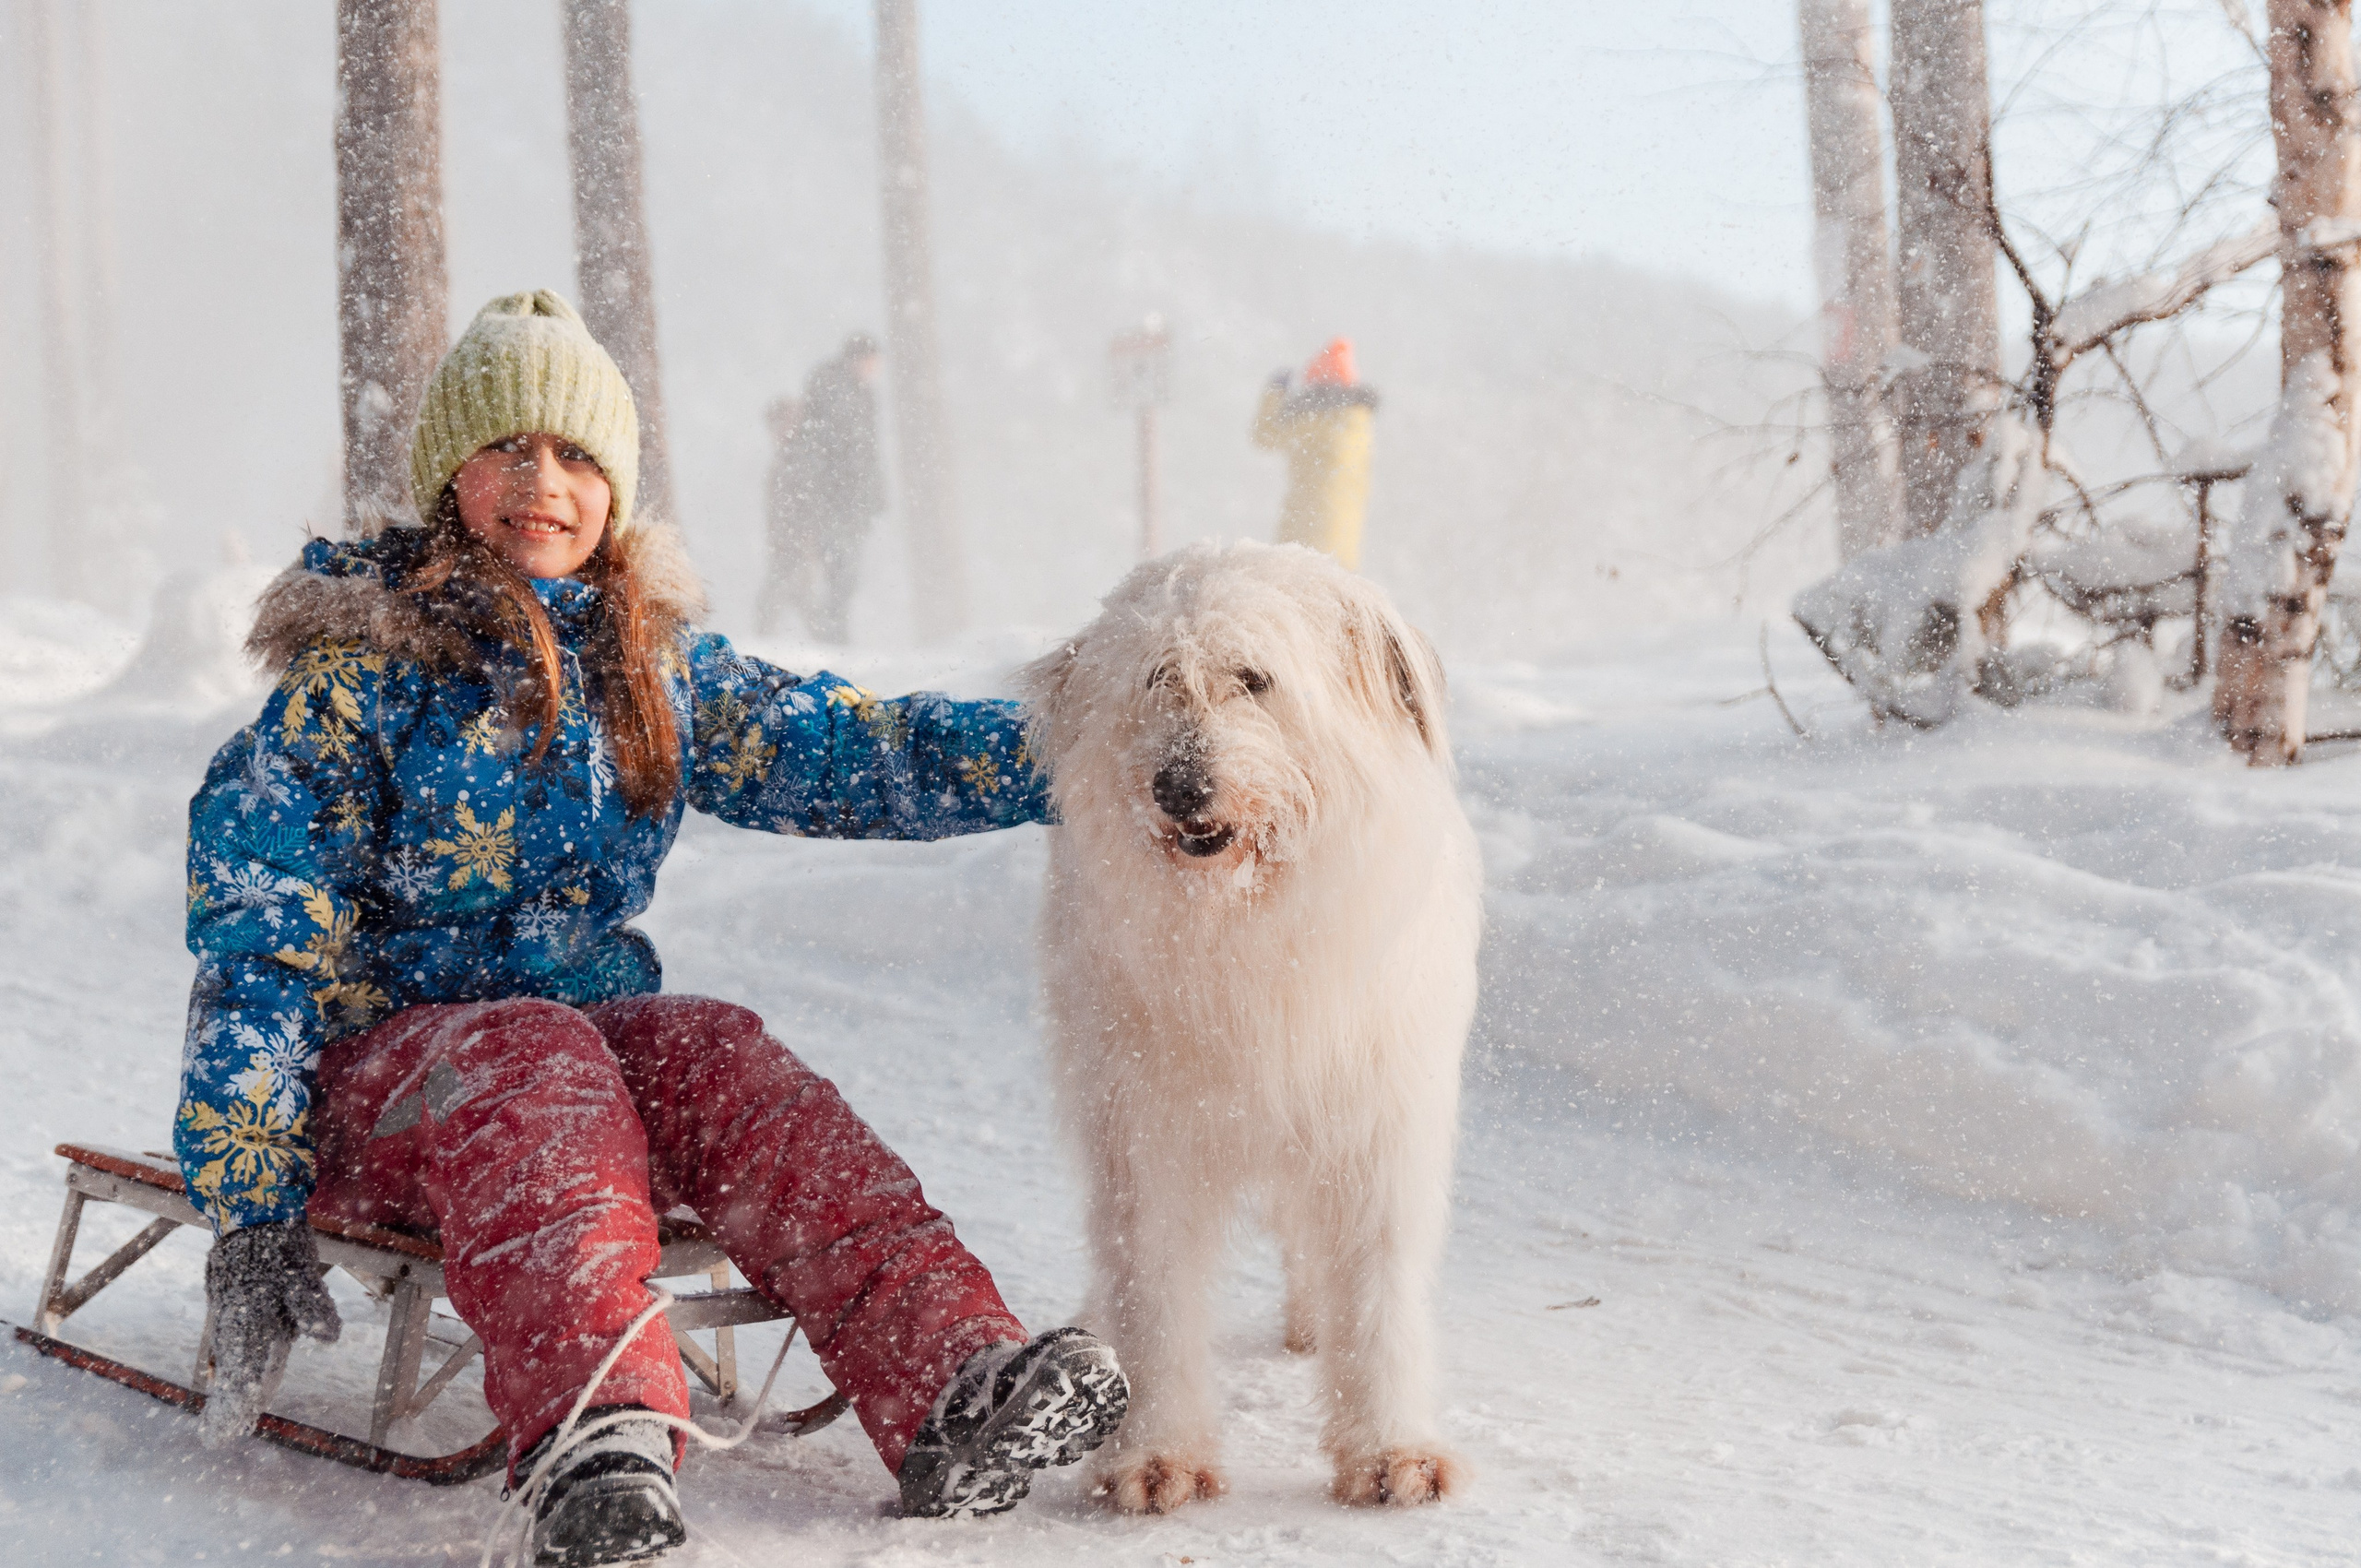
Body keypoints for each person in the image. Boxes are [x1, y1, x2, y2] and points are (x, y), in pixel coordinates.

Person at [177, 291, 1125, 1565]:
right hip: (380, 1083)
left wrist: (1091, 745)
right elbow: (257, 937)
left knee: (712, 1048)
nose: (542, 482)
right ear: (448, 472)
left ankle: (953, 1379)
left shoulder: (651, 663)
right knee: (531, 1049)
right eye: (507, 447)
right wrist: (249, 1206)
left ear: (616, 486)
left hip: (561, 1060)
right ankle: (594, 1437)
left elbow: (857, 751)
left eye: (575, 454)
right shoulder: (363, 676)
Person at [756, 334, 884, 642]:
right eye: (871, 361)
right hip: (834, 501)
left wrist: (873, 494)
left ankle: (828, 637)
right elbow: (848, 452)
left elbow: (865, 453)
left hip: (842, 501)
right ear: (859, 358)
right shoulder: (835, 392)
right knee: (822, 573)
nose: (875, 369)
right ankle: (828, 638)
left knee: (825, 575)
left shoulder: (856, 394)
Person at [1251, 336, 1381, 570]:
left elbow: (1264, 436)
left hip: (1306, 536)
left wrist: (1274, 394)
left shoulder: (1316, 420)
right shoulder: (1359, 422)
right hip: (1345, 542)